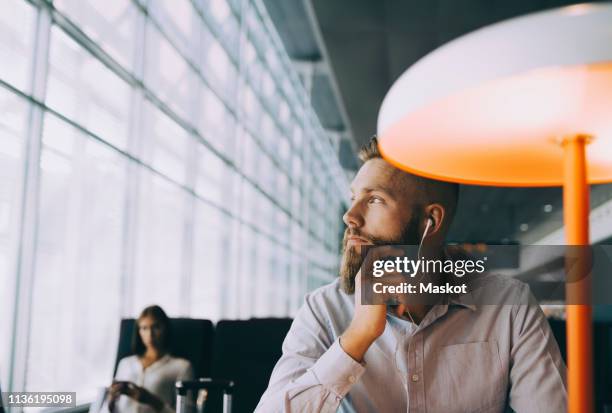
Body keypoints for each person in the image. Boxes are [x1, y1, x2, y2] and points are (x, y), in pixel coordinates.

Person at [255, 136, 567, 412]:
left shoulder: (508, 305)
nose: (350, 216)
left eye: (374, 199)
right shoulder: (323, 309)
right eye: (354, 198)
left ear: (429, 222)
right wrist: (356, 338)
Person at [109, 305, 193, 413]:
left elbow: (186, 411)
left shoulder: (182, 366)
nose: (150, 334)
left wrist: (153, 401)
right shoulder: (125, 363)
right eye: (144, 328)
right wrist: (110, 400)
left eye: (156, 327)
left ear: (165, 328)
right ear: (139, 332)